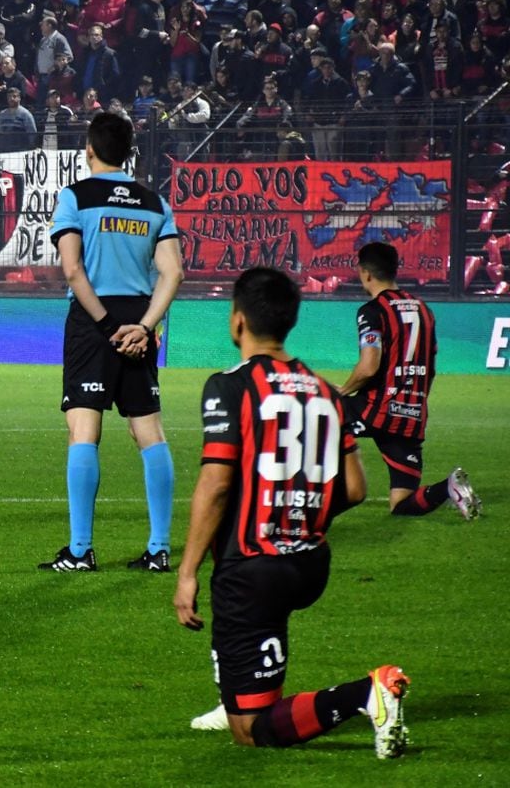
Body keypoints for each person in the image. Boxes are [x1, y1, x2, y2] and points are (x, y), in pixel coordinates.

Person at [174, 267, 411, 761]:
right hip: (308, 563)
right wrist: (302, 517)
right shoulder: (326, 392)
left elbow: (216, 484)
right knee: (257, 638)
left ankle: (366, 694)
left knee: (252, 730)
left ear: (237, 321)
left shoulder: (229, 386)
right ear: (290, 321)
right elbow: (355, 489)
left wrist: (187, 570)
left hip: (253, 568)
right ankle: (238, 696)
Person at [41, 113, 183, 573]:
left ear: (88, 149)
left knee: (84, 431)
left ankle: (81, 551)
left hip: (93, 321)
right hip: (140, 319)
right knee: (150, 432)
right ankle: (159, 549)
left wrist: (104, 327)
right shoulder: (153, 201)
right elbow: (173, 272)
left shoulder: (75, 197)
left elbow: (71, 269)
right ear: (130, 152)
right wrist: (144, 327)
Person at [338, 242, 481, 520]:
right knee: (402, 504)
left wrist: (343, 391)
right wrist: (413, 402)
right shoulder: (424, 310)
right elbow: (431, 369)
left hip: (375, 409)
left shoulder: (372, 311)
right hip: (410, 414)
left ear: (365, 273)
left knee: (318, 418)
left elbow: (369, 367)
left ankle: (296, 497)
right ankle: (449, 487)